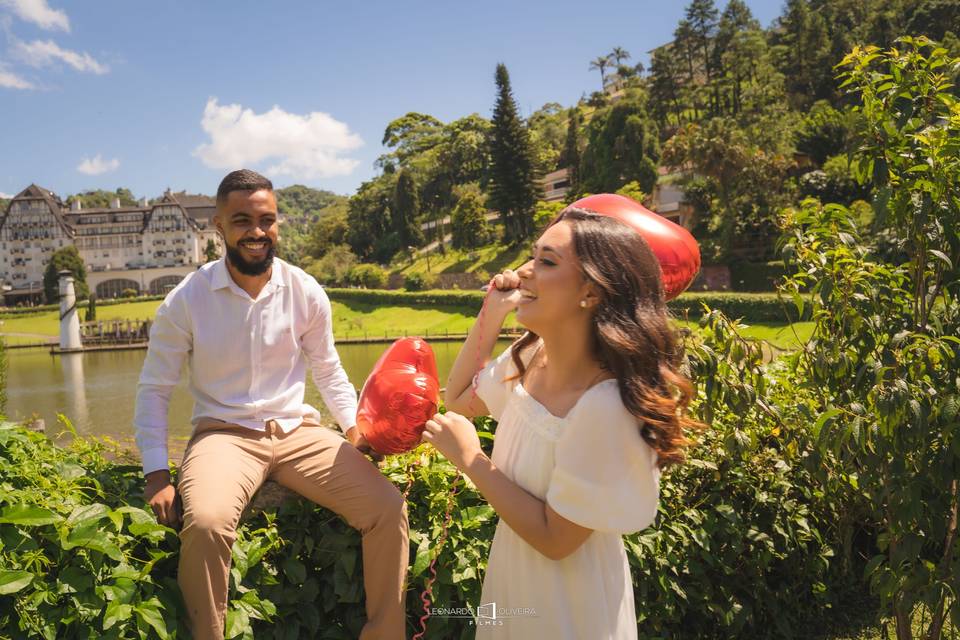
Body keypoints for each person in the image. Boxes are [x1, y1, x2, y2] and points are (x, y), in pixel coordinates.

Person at [134, 169, 408, 640]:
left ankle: (384, 633)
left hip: (299, 433)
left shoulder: (305, 290)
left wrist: (353, 428)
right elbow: (155, 388)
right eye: (242, 220)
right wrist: (157, 472)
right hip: (224, 435)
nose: (257, 232)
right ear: (218, 226)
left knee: (387, 507)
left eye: (267, 219)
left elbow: (328, 370)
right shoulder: (186, 300)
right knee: (205, 523)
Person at [421, 207, 700, 639]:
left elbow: (557, 539)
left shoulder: (605, 405)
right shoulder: (534, 356)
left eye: (546, 261)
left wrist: (472, 460)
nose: (522, 272)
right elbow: (457, 401)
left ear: (591, 291)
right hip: (517, 577)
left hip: (571, 605)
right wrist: (491, 313)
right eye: (531, 257)